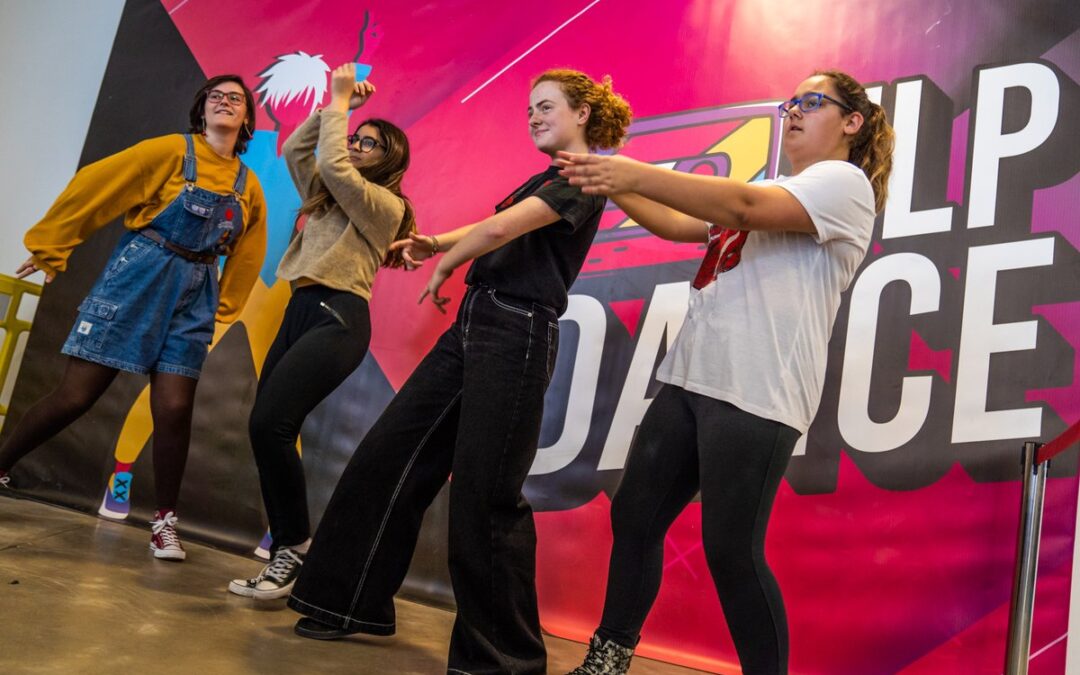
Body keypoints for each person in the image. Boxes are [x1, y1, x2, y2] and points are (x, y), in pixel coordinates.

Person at [286, 69, 632, 674]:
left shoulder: (583, 178)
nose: (533, 116)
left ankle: (504, 660)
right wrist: (435, 242)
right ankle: (346, 600)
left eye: (545, 106)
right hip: (476, 326)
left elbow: (502, 229)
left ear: (582, 114)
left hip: (517, 333)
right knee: (391, 454)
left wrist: (447, 265)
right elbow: (498, 225)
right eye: (529, 108)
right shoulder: (547, 180)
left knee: (486, 496)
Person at [558, 70, 894, 675]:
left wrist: (629, 170)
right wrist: (600, 175)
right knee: (635, 515)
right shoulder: (779, 185)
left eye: (813, 102)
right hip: (692, 378)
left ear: (852, 122)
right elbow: (682, 223)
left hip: (758, 392)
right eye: (792, 101)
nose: (794, 110)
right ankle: (606, 660)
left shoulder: (843, 185)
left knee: (731, 551)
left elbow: (739, 204)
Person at [0, 75, 268, 562]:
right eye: (215, 96)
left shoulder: (247, 185)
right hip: (139, 278)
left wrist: (225, 309)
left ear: (247, 117)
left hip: (195, 297)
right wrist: (52, 244)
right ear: (202, 110)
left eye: (236, 98)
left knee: (173, 409)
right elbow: (95, 185)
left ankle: (164, 521)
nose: (225, 102)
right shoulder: (169, 152)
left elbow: (249, 249)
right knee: (75, 397)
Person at [226, 64, 416, 600]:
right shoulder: (333, 194)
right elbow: (297, 154)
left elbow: (331, 161)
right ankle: (292, 547)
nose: (356, 145)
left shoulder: (387, 206)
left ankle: (292, 548)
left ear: (391, 160)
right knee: (266, 428)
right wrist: (334, 112)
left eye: (370, 144)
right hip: (300, 309)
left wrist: (338, 103)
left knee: (270, 422)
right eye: (355, 137)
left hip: (339, 317)